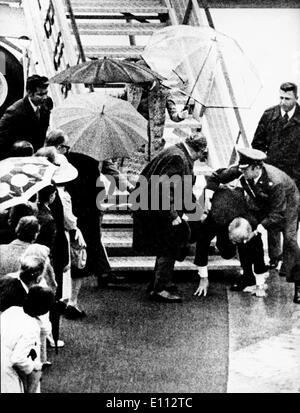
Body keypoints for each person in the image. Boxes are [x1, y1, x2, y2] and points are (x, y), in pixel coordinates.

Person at [205, 147, 300, 304]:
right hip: (261, 202)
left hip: (287, 205)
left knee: (290, 240)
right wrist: (208, 195)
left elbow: (277, 213)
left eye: (246, 170)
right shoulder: (243, 169)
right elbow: (216, 177)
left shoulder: (275, 182)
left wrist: (258, 229)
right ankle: (248, 277)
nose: (242, 173)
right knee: (244, 230)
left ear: (257, 168)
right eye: (241, 169)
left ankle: (298, 284)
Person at [132, 129, 208, 302]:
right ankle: (159, 289)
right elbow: (163, 188)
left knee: (168, 246)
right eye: (202, 154)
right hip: (159, 208)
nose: (201, 158)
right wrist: (173, 215)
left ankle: (159, 282)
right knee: (170, 246)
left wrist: (196, 209)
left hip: (154, 205)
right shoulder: (178, 158)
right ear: (197, 150)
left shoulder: (178, 153)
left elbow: (183, 189)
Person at [251, 82, 300, 270]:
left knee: (290, 226)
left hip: (294, 181)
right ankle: (274, 258)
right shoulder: (269, 115)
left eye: (287, 98)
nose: (282, 102)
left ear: (295, 98)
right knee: (272, 220)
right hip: (271, 178)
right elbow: (257, 146)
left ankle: (288, 264)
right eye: (280, 97)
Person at [193, 187, 269, 297]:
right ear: (228, 230)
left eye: (237, 241)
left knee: (249, 245)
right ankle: (229, 246)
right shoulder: (215, 220)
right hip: (220, 203)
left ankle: (248, 278)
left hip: (237, 203)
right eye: (234, 240)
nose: (235, 243)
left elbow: (259, 255)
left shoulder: (252, 223)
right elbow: (201, 244)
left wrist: (260, 286)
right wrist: (203, 278)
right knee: (226, 252)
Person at [120, 58, 190, 161]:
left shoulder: (163, 91)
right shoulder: (132, 87)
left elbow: (174, 115)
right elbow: (120, 99)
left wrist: (180, 116)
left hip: (153, 139)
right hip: (135, 133)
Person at [1, 285, 55, 393]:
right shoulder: (32, 326)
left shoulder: (12, 310)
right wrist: (35, 367)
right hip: (5, 371)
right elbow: (18, 358)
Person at [0, 75, 53, 160]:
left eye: (46, 93)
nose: (45, 97)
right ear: (29, 93)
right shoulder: (14, 112)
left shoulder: (45, 106)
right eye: (40, 94)